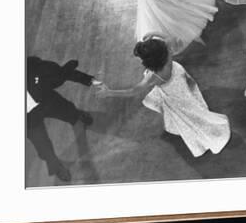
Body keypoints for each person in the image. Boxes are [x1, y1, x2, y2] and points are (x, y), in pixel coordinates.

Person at [96, 34, 231, 157]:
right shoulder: (167, 52)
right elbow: (169, 38)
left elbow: (134, 91)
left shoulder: (153, 77)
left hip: (173, 93)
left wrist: (109, 92)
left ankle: (206, 134)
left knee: (189, 116)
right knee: (193, 105)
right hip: (180, 79)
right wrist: (155, 33)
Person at [26, 56, 101, 182]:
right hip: (27, 120)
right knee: (43, 148)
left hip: (46, 101)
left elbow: (62, 73)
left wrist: (89, 80)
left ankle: (78, 116)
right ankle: (56, 166)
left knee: (67, 110)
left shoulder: (31, 67)